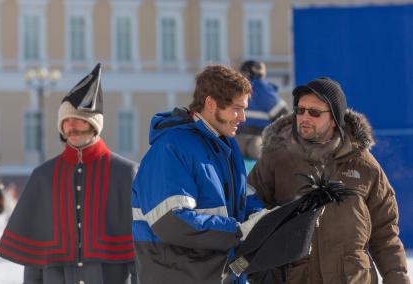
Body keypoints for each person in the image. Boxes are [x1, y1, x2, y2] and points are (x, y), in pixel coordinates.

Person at [248, 77, 411, 283]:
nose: (304, 117)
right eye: (300, 110)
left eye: (314, 112)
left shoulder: (364, 165)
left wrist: (397, 279)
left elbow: (385, 235)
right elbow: (249, 217)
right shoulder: (276, 159)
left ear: (334, 119)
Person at [0, 64, 139, 284]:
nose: (70, 125)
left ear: (94, 125)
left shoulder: (126, 173)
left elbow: (140, 251)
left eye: (78, 119)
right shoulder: (43, 176)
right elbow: (34, 261)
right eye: (65, 120)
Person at [132, 65, 268, 284]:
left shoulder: (227, 147)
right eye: (236, 108)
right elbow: (171, 221)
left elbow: (241, 198)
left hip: (219, 275)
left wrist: (262, 217)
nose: (243, 117)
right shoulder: (171, 148)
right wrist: (238, 230)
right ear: (210, 103)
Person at [236, 60, 289, 161]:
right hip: (256, 145)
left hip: (235, 142)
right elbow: (284, 114)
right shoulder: (261, 87)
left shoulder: (235, 89)